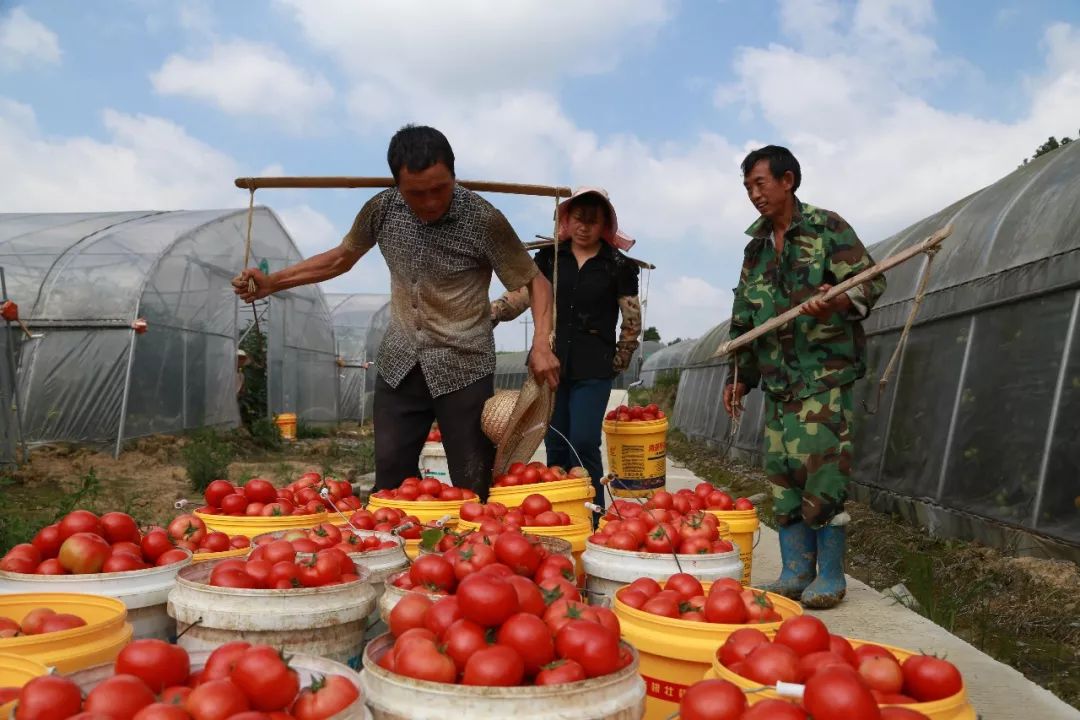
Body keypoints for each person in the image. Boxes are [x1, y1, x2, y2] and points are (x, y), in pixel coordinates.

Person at [234, 125, 560, 499]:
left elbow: (536, 282)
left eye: (440, 189)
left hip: (464, 367)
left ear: (454, 175)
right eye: (416, 193)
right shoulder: (382, 209)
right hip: (400, 364)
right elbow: (341, 258)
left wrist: (540, 344)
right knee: (389, 484)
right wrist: (273, 282)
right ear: (397, 185)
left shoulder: (484, 220)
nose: (431, 202)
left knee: (473, 486)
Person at [722, 145, 886, 609]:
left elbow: (871, 282)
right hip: (778, 382)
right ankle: (796, 570)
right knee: (783, 476)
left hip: (822, 378)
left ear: (788, 180)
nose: (755, 195)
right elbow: (745, 321)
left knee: (823, 475)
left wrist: (837, 299)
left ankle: (831, 576)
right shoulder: (754, 250)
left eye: (761, 184)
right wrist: (740, 378)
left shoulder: (828, 228)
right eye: (748, 187)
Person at [491, 187, 641, 512]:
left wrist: (620, 358)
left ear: (605, 225)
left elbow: (631, 318)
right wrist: (493, 313)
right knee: (555, 443)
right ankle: (559, 515)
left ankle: (593, 516)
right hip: (551, 367)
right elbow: (522, 295)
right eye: (578, 219)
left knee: (584, 443)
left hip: (594, 368)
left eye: (592, 221)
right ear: (567, 219)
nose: (584, 227)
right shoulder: (548, 257)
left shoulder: (618, 265)